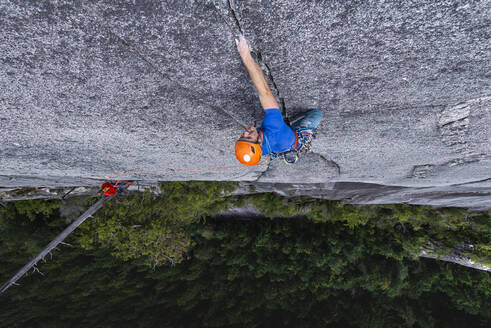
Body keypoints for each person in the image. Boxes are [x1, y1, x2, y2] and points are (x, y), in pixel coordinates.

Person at [234, 36, 322, 166]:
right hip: (294, 139)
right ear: (259, 143)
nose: (245, 132)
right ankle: (293, 126)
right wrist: (246, 56)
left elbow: (252, 155)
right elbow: (264, 92)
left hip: (282, 143)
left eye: (242, 137)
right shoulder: (274, 128)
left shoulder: (257, 150)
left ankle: (287, 128)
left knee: (282, 129)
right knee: (316, 114)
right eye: (248, 137)